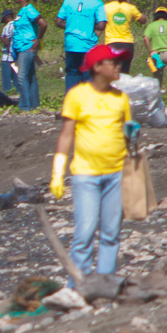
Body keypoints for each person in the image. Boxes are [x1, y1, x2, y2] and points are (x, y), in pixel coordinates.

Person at [50, 44, 132, 283]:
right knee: (84, 233)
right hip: (86, 175)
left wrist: (133, 137)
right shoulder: (77, 95)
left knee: (111, 233)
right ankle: (77, 285)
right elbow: (66, 135)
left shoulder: (121, 98)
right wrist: (57, 172)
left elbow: (127, 135)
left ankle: (105, 284)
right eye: (113, 63)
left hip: (116, 173)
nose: (119, 66)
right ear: (97, 67)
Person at [56, 0, 107, 90]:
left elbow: (58, 22)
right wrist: (89, 27)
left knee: (72, 74)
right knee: (88, 75)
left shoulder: (68, 0)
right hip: (87, 46)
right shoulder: (97, 3)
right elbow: (102, 24)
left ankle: (71, 104)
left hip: (71, 45)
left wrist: (71, 26)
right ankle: (88, 105)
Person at [10, 0, 47, 111]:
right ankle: (34, 104)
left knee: (21, 76)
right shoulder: (22, 11)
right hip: (21, 47)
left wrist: (38, 39)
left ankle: (25, 106)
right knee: (30, 75)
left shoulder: (30, 10)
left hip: (28, 46)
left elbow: (43, 23)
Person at [103, 0, 144, 70]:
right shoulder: (130, 7)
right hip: (127, 44)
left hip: (112, 43)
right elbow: (143, 20)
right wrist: (129, 4)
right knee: (124, 75)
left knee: (111, 74)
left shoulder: (106, 7)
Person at [144, 6, 167, 96]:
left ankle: (157, 97)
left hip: (157, 55)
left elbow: (145, 37)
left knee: (157, 77)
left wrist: (150, 51)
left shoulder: (151, 26)